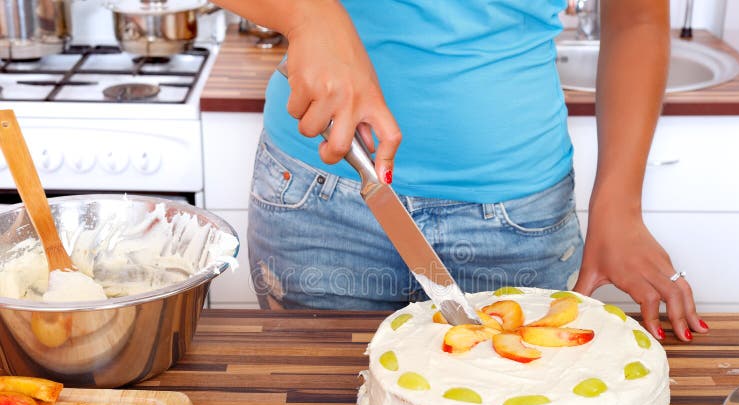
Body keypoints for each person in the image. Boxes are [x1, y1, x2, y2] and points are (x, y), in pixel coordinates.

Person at [212, 0, 708, 342]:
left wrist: (619, 205)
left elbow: (638, 19)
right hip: (320, 198)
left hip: (521, 222)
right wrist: (307, 15)